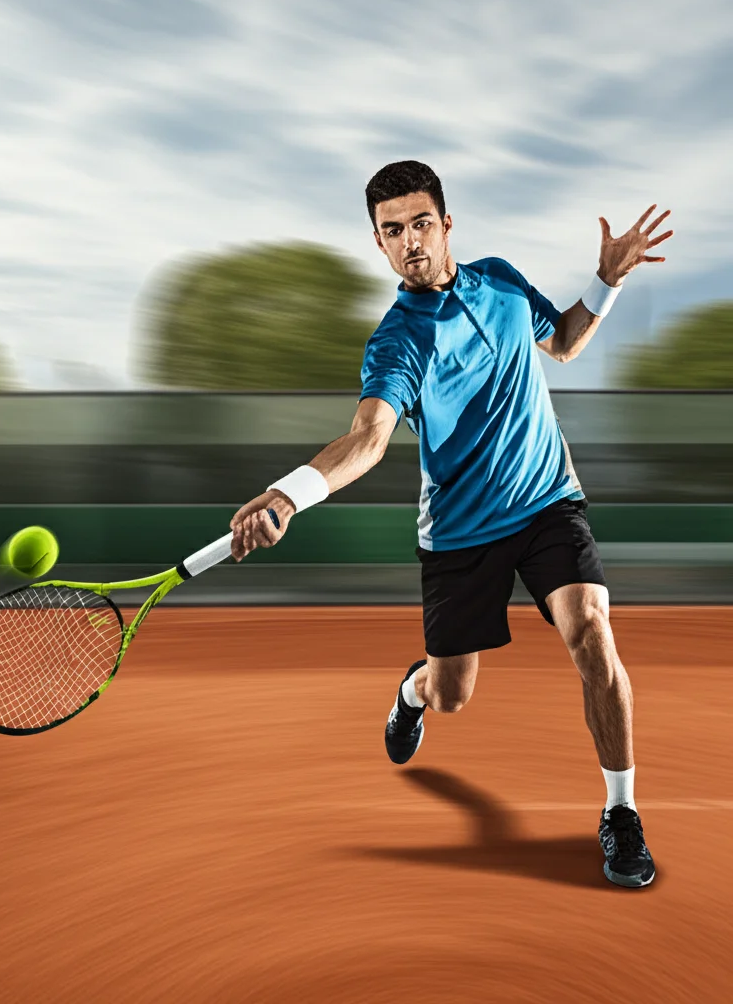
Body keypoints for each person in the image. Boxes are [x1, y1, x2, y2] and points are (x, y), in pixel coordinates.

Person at [228, 160, 673, 889]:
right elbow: (368, 438)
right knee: (453, 693)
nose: (410, 242)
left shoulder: (498, 279)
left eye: (421, 223)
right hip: (461, 532)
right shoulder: (398, 342)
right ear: (378, 243)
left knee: (591, 626)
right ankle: (412, 693)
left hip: (545, 500)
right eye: (392, 230)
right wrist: (288, 494)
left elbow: (561, 342)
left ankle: (621, 814)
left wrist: (607, 281)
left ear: (447, 224)